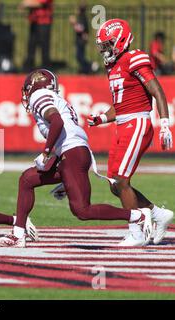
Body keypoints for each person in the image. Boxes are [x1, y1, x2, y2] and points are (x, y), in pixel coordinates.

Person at [0, 69, 154, 248]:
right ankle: (18, 234)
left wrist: (46, 152)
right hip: (72, 153)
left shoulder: (39, 95)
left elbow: (57, 121)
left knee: (82, 210)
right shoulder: (56, 98)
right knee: (27, 179)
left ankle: (139, 215)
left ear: (34, 85)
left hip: (72, 154)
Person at [88, 19, 173, 245]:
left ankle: (137, 232)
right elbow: (121, 104)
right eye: (103, 45)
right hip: (124, 124)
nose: (105, 49)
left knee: (121, 180)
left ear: (121, 40)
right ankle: (157, 214)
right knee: (114, 184)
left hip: (137, 124)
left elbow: (158, 92)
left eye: (108, 44)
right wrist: (102, 118)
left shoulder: (134, 58)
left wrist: (165, 123)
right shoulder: (113, 65)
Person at [19, 0, 53, 71]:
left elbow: (40, 3)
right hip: (34, 21)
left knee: (44, 45)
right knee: (31, 44)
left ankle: (46, 68)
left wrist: (26, 3)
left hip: (44, 21)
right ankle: (29, 66)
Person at [69, 1, 97, 74]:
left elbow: (81, 28)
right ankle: (86, 68)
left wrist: (74, 23)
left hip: (81, 40)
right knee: (79, 56)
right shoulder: (81, 17)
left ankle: (91, 66)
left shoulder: (82, 17)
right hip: (80, 39)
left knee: (79, 56)